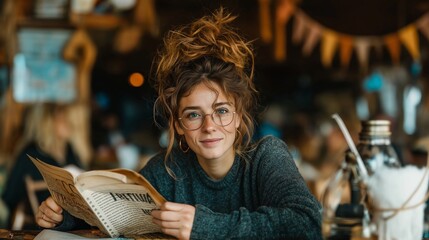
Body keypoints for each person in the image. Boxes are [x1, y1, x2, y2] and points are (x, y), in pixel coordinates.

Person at [36, 9, 322, 239]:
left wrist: (202, 226)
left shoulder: (266, 158)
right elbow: (117, 214)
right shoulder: (168, 170)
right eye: (194, 114)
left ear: (238, 116)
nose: (210, 126)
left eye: (221, 111)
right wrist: (64, 216)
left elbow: (309, 223)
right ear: (178, 124)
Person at [2, 102, 91, 229]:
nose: (69, 122)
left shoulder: (71, 151)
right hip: (42, 226)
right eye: (62, 117)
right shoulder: (30, 155)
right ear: (47, 122)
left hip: (75, 224)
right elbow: (10, 196)